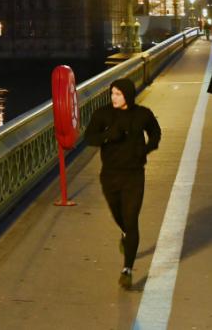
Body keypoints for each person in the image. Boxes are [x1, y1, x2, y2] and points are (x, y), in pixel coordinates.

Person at [84, 78, 161, 289]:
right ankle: (125, 233)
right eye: (112, 94)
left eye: (118, 94)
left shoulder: (142, 114)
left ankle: (127, 270)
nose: (114, 98)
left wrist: (145, 149)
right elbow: (89, 138)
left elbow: (156, 133)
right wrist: (108, 136)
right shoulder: (103, 115)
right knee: (119, 215)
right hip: (110, 175)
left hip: (134, 175)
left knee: (131, 218)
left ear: (128, 94)